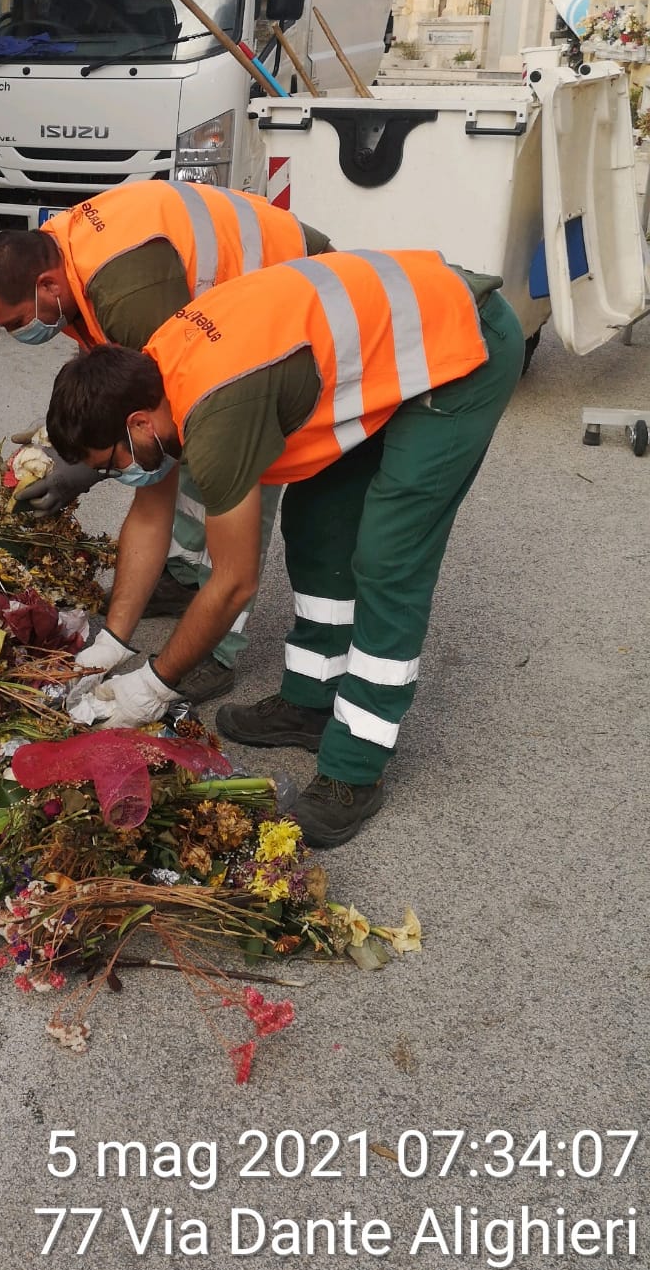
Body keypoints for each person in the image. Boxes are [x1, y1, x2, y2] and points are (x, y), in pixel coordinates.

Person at [44, 250, 523, 846]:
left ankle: (356, 769)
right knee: (318, 523)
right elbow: (154, 515)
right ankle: (311, 701)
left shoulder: (214, 416)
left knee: (389, 556)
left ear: (139, 423)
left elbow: (235, 581)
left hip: (462, 346)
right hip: (396, 346)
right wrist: (113, 644)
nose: (120, 476)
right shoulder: (157, 366)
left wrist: (155, 683)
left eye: (111, 465)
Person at [0, 182, 330, 703]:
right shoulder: (60, 261)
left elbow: (156, 447)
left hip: (300, 302)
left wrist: (92, 469)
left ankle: (214, 649)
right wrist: (114, 641)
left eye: (18, 322)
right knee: (170, 455)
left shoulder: (130, 295)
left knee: (220, 467)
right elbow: (117, 389)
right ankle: (182, 578)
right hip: (240, 309)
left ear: (47, 285)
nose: (16, 336)